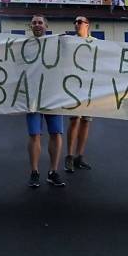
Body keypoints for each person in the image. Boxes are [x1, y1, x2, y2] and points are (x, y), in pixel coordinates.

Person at [25, 14, 66, 188]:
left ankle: (53, 171)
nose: (37, 25)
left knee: (56, 133)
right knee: (35, 134)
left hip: (53, 95)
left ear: (46, 26)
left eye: (40, 22)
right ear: (30, 26)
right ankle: (34, 172)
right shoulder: (24, 46)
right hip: (33, 96)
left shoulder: (56, 44)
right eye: (34, 23)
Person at [65, 15, 93, 174]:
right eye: (74, 21)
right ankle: (69, 156)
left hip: (89, 88)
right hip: (74, 86)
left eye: (80, 22)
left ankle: (79, 156)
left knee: (86, 121)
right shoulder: (70, 42)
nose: (76, 24)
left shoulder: (95, 43)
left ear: (87, 25)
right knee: (74, 119)